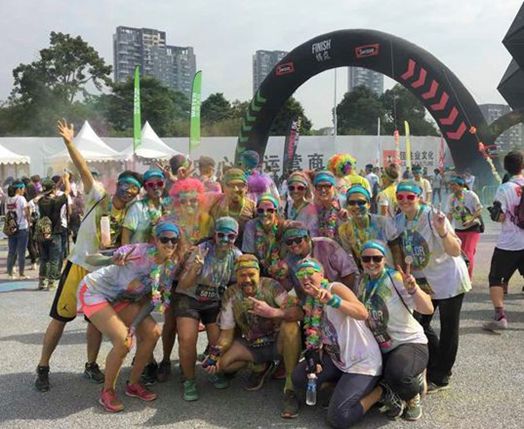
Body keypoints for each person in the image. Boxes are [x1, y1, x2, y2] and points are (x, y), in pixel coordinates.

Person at [35, 119, 143, 392]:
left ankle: (91, 365)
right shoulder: (99, 194)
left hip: (101, 272)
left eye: (134, 189)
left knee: (94, 322)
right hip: (79, 266)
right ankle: (43, 366)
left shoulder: (130, 213)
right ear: (118, 184)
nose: (129, 191)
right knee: (60, 318)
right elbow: (83, 167)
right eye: (127, 185)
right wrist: (70, 143)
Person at [78, 220, 180, 412]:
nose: (169, 244)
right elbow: (91, 259)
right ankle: (107, 391)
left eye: (174, 240)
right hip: (95, 291)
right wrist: (112, 259)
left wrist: (134, 325)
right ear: (155, 240)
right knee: (123, 341)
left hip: (121, 298)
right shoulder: (137, 252)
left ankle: (133, 384)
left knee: (152, 333)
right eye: (164, 239)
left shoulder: (169, 267)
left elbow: (154, 300)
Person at [204, 254, 303, 419]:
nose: (247, 279)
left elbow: (298, 313)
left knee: (291, 326)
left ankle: (290, 387)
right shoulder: (230, 294)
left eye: (251, 274)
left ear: (259, 274)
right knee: (222, 365)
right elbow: (226, 335)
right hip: (252, 345)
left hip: (277, 343)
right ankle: (260, 366)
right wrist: (214, 355)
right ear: (236, 276)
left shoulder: (272, 286)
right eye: (242, 275)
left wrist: (272, 312)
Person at [395, 181, 471, 392]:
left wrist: (442, 231)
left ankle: (442, 375)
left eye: (410, 197)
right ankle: (435, 361)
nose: (405, 201)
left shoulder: (433, 216)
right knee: (420, 324)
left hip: (449, 279)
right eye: (400, 197)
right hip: (424, 282)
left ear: (419, 197)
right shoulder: (398, 220)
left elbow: (455, 251)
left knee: (448, 328)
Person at [291, 258, 383, 428]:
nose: (305, 277)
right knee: (299, 378)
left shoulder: (334, 288)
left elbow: (362, 313)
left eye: (310, 272)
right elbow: (320, 335)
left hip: (362, 363)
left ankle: (380, 391)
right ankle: (342, 388)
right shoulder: (311, 301)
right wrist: (315, 355)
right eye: (301, 274)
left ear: (321, 275)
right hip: (338, 361)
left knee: (338, 418)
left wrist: (334, 300)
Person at [358, 241, 433, 421]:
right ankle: (396, 392)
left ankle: (413, 393)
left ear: (385, 259)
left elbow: (428, 309)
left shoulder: (395, 278)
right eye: (366, 259)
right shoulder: (362, 281)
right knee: (363, 381)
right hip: (382, 346)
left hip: (409, 342)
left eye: (377, 258)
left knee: (398, 375)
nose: (371, 263)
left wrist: (414, 289)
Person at [173, 216, 242, 400]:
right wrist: (195, 268)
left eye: (231, 236)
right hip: (188, 297)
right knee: (187, 338)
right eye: (221, 235)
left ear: (236, 237)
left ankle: (215, 370)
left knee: (218, 339)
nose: (225, 240)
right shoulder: (201, 250)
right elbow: (183, 284)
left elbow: (236, 284)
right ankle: (189, 379)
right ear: (214, 235)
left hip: (213, 301)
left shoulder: (236, 256)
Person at [483, 151, 524, 331]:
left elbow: (499, 217)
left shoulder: (504, 188)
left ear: (506, 168)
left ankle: (500, 316)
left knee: (495, 278)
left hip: (509, 242)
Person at [278, 221, 358, 299]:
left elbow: (349, 274)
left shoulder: (327, 245)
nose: (294, 244)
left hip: (337, 296)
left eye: (298, 240)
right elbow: (290, 287)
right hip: (311, 302)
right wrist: (283, 276)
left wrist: (343, 298)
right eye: (289, 242)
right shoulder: (288, 259)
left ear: (307, 238)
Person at [337, 185, 401, 270]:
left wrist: (398, 271)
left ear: (369, 205)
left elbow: (396, 249)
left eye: (361, 202)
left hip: (388, 272)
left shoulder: (383, 222)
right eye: (352, 203)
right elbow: (351, 257)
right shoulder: (344, 230)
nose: (356, 206)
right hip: (366, 273)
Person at [35, 176, 71, 290]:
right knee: (54, 259)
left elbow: (45, 194)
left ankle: (42, 281)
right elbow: (67, 191)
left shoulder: (40, 201)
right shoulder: (56, 201)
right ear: (53, 189)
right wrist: (66, 179)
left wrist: (57, 184)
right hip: (55, 232)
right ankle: (51, 282)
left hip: (43, 233)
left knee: (44, 259)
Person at [445, 176, 482, 278]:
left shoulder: (470, 195)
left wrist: (471, 220)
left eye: (454, 185)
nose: (451, 187)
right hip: (458, 230)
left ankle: (468, 278)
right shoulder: (451, 198)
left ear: (461, 186)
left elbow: (479, 210)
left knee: (468, 253)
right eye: (450, 185)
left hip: (473, 228)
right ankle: (461, 275)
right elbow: (449, 214)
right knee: (460, 254)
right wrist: (446, 228)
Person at [121, 168, 171, 244]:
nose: (155, 187)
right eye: (150, 185)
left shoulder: (167, 207)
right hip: (137, 251)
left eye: (159, 183)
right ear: (145, 188)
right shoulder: (137, 207)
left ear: (164, 185)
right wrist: (125, 251)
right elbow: (125, 237)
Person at [209, 168, 256, 243]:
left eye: (240, 185)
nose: (236, 189)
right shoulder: (215, 206)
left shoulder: (253, 207)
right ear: (223, 187)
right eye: (231, 185)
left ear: (246, 188)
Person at [242, 194, 284, 276]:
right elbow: (249, 254)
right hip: (258, 267)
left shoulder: (282, 226)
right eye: (260, 210)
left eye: (270, 210)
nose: (265, 214)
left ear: (276, 212)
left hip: (279, 266)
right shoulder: (251, 225)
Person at [5, 179, 31, 279]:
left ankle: (10, 273)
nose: (24, 190)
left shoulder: (8, 199)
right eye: (23, 188)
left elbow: (6, 213)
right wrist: (29, 222)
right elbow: (26, 213)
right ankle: (21, 274)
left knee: (11, 251)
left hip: (11, 228)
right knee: (21, 252)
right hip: (22, 227)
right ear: (19, 189)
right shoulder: (21, 199)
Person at [312, 170, 347, 240]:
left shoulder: (343, 203)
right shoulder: (315, 207)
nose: (323, 190)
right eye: (319, 187)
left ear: (333, 187)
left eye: (327, 186)